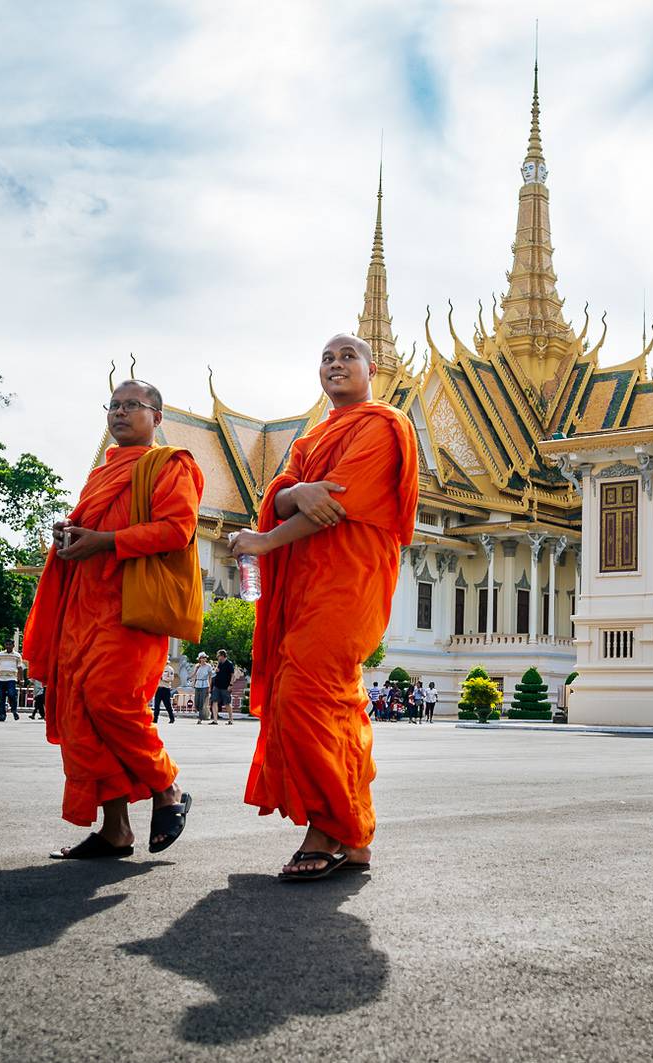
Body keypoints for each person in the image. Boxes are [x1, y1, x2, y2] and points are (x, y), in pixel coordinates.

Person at [231, 332, 419, 881]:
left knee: (304, 694)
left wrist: (267, 539)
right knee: (334, 702)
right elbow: (284, 491)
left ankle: (328, 828)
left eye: (348, 357)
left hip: (351, 579)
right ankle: (353, 831)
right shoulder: (312, 438)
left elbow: (335, 502)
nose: (335, 365)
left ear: (373, 368)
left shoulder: (386, 426)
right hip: (306, 583)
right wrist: (297, 494)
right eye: (327, 358)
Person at [23, 379, 200, 860]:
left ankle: (167, 787)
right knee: (81, 713)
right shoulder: (102, 474)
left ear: (156, 418)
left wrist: (103, 541)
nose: (120, 413)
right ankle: (115, 828)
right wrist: (72, 532)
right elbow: (97, 527)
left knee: (111, 701)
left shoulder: (170, 465)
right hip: (85, 605)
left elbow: (176, 529)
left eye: (132, 406)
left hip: (132, 607)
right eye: (114, 406)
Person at [0, 644, 23, 721]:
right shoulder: (0, 654)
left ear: (13, 645)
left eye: (9, 645)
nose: (8, 646)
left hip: (11, 679)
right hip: (1, 679)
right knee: (1, 698)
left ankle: (14, 710)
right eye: (6, 644)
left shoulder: (17, 655)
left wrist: (21, 679)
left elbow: (20, 668)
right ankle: (2, 715)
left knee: (12, 694)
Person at [211, 649, 235, 725]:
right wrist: (216, 670)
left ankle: (231, 720)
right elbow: (216, 672)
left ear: (222, 656)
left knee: (227, 703)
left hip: (225, 687)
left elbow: (232, 675)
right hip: (217, 686)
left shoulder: (229, 664)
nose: (217, 657)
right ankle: (215, 720)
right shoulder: (219, 663)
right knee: (214, 702)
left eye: (218, 656)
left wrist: (231, 685)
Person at [152, 659, 177, 723]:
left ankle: (172, 718)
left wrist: (163, 678)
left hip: (166, 688)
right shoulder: (159, 668)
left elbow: (171, 678)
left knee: (167, 705)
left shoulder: (170, 669)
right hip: (159, 688)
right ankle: (155, 719)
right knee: (156, 705)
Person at [192, 651, 213, 724]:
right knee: (197, 702)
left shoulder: (208, 666)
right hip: (198, 684)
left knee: (202, 702)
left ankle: (200, 718)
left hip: (205, 685)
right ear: (199, 659)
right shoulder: (197, 666)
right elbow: (194, 675)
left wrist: (209, 686)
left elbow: (210, 676)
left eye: (204, 658)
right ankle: (202, 713)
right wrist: (193, 683)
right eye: (202, 658)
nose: (203, 659)